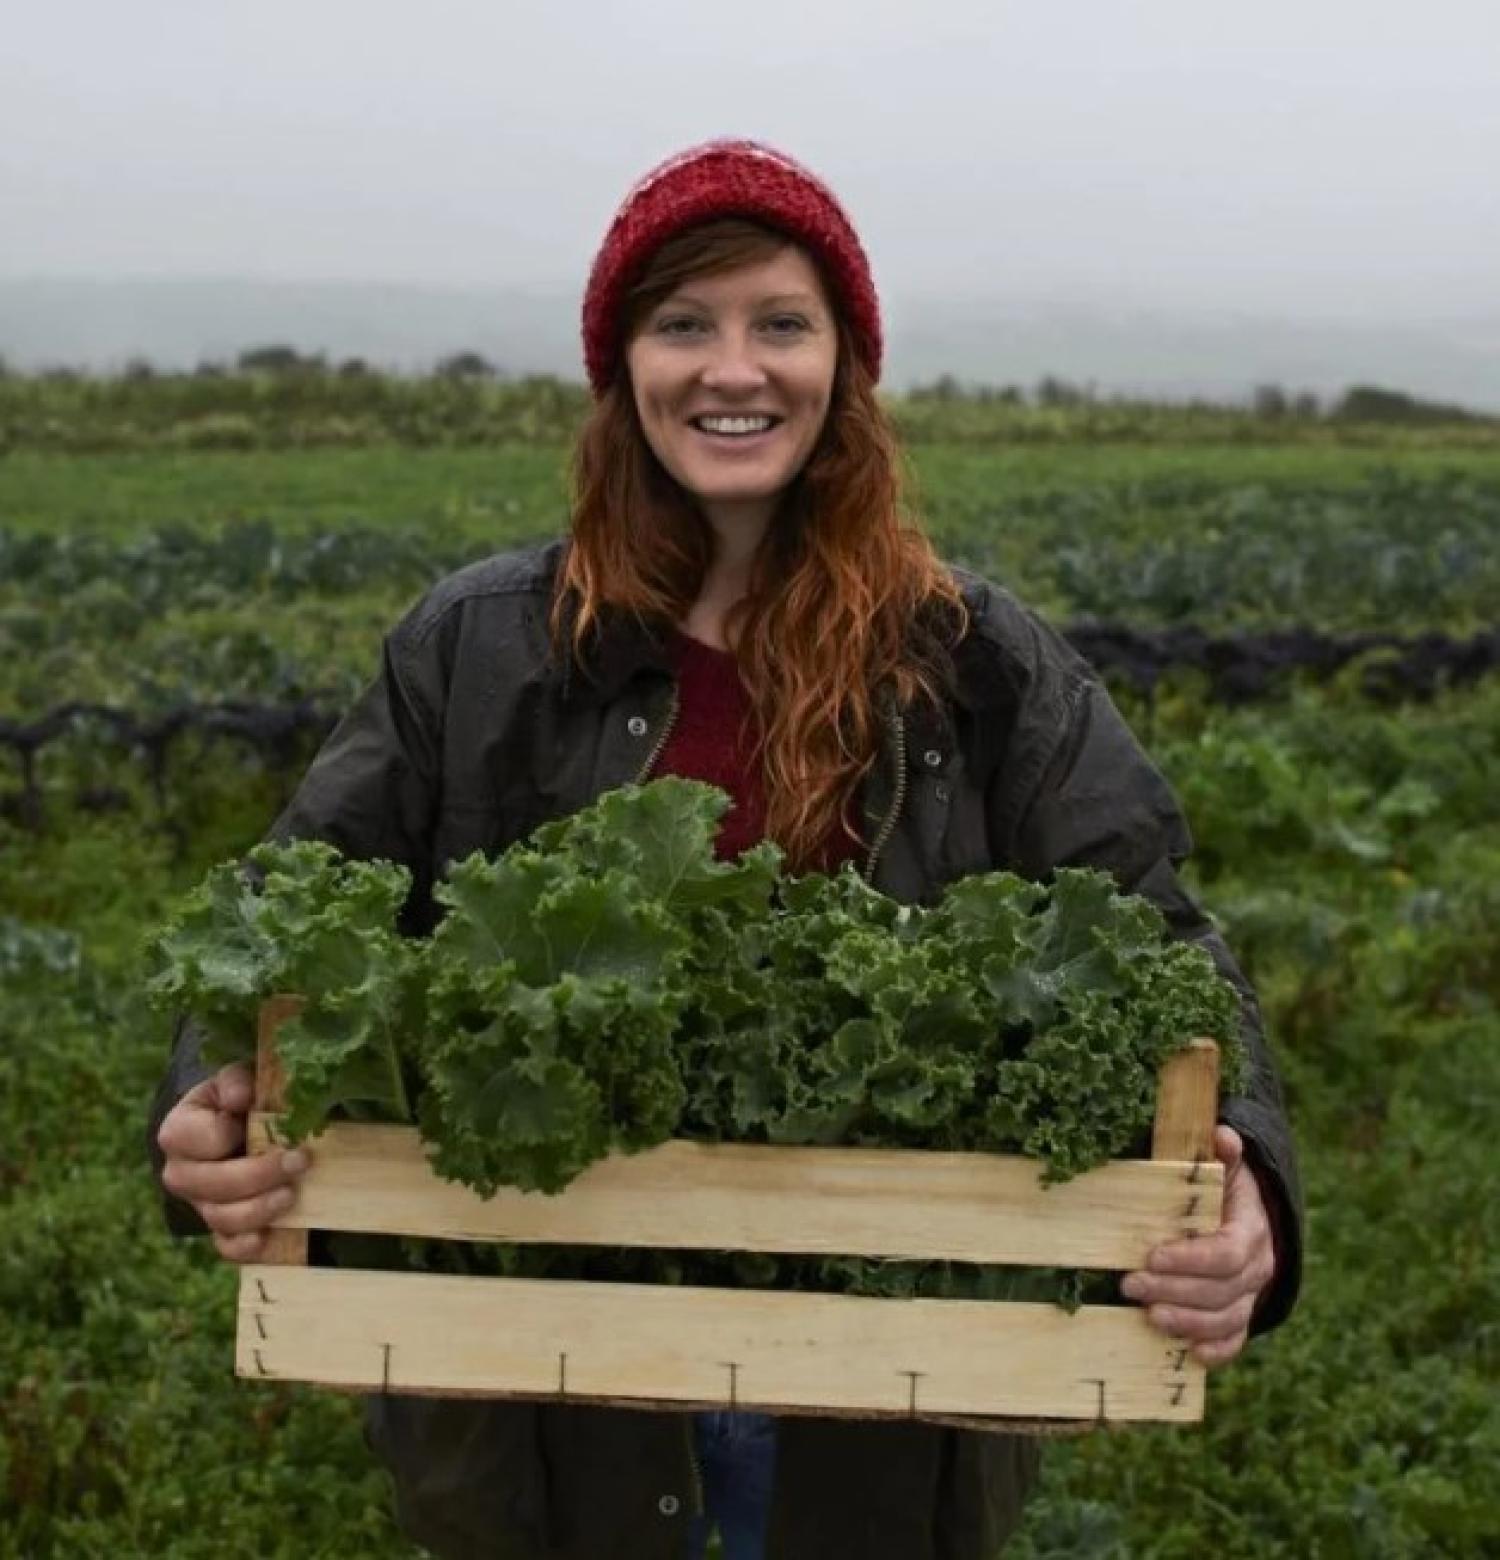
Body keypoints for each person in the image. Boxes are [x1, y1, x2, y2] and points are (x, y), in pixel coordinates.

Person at [149, 138, 1302, 1560]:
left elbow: (1160, 932)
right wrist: (207, 1093)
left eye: (781, 324)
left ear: (844, 366)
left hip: (874, 1412)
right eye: (683, 323)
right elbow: (285, 905)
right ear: (622, 364)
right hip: (548, 1390)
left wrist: (1252, 1173)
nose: (732, 369)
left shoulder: (977, 660)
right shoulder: (478, 649)